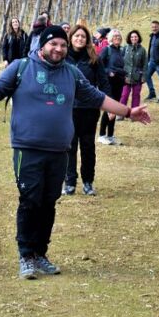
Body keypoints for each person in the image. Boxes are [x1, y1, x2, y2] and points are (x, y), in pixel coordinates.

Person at [0, 25, 150, 280]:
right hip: (27, 149)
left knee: (49, 202)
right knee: (30, 200)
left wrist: (128, 111)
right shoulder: (21, 68)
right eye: (54, 44)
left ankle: (40, 253)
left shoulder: (71, 73)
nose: (59, 49)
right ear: (42, 45)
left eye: (62, 45)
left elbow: (97, 97)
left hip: (59, 149)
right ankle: (26, 255)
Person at [63, 24, 107, 194]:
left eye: (83, 36)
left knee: (88, 147)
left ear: (87, 39)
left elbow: (103, 83)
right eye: (76, 36)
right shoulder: (63, 58)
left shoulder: (94, 58)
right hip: (68, 110)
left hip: (89, 110)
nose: (79, 39)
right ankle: (70, 182)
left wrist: (110, 106)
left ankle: (88, 182)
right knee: (69, 147)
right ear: (70, 38)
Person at [98, 29, 126, 144]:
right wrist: (108, 71)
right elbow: (98, 65)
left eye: (119, 37)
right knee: (109, 108)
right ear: (110, 38)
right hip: (108, 84)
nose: (117, 38)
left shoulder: (122, 51)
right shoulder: (107, 50)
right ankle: (101, 135)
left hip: (119, 83)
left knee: (115, 108)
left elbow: (125, 68)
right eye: (115, 37)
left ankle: (110, 135)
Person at [121, 29, 147, 110]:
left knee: (136, 95)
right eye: (132, 37)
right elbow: (120, 62)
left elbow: (145, 64)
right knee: (124, 95)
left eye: (135, 37)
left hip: (137, 77)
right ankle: (121, 113)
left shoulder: (142, 50)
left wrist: (143, 77)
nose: (134, 38)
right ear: (129, 38)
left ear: (138, 38)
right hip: (126, 76)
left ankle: (134, 113)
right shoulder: (125, 48)